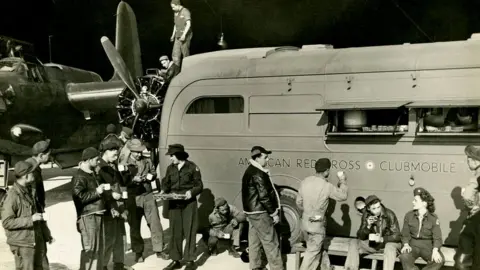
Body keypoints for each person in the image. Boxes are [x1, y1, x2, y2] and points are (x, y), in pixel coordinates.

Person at [296, 158, 348, 270]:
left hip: (304, 223)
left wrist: (308, 215)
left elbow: (298, 202)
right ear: (327, 171)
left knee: (315, 250)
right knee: (311, 254)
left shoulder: (305, 181)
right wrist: (342, 181)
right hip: (317, 224)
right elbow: (343, 196)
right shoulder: (326, 186)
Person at [123, 139, 168, 262]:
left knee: (155, 223)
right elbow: (122, 181)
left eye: (140, 151)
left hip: (148, 195)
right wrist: (133, 180)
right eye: (136, 152)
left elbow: (153, 173)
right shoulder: (125, 163)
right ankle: (138, 252)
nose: (138, 154)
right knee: (135, 226)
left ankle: (159, 249)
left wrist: (149, 177)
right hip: (134, 197)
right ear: (131, 151)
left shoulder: (147, 160)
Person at [2, 161, 51, 270]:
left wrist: (46, 233)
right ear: (26, 176)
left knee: (43, 267)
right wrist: (30, 219)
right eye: (32, 172)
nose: (35, 175)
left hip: (36, 239)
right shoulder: (12, 196)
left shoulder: (30, 190)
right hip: (23, 243)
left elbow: (38, 213)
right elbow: (7, 222)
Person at [241, 146, 284, 270]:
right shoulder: (258, 173)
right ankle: (277, 268)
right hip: (261, 213)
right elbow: (264, 196)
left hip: (252, 213)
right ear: (257, 157)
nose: (267, 159)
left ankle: (255, 267)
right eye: (265, 157)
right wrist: (273, 213)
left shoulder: (249, 170)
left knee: (254, 243)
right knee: (271, 243)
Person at [161, 144, 203, 270]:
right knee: (175, 231)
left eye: (172, 156)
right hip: (174, 203)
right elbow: (166, 182)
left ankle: (190, 260)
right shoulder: (170, 168)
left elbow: (199, 185)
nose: (170, 158)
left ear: (179, 155)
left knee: (190, 231)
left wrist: (191, 192)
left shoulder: (192, 167)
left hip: (189, 203)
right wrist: (163, 191)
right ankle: (176, 260)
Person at [97, 140, 132, 270]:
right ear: (105, 152)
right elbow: (99, 188)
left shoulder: (112, 165)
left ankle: (119, 263)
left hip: (118, 204)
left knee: (120, 235)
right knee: (109, 238)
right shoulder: (99, 167)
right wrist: (111, 201)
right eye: (113, 152)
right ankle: (103, 265)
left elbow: (120, 183)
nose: (116, 155)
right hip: (108, 207)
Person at [344, 195, 401, 270]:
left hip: (386, 246)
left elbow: (397, 236)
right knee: (354, 242)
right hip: (373, 246)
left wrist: (382, 239)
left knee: (390, 247)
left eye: (378, 207)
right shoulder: (366, 215)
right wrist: (367, 226)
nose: (377, 210)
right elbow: (360, 236)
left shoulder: (389, 214)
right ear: (368, 209)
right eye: (374, 208)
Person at [72, 147, 106, 270]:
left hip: (96, 214)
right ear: (89, 159)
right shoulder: (79, 176)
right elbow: (79, 198)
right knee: (90, 249)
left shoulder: (91, 174)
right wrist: (97, 192)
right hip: (88, 216)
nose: (98, 162)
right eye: (96, 160)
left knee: (98, 249)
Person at [399, 187, 444, 270]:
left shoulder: (433, 218)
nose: (413, 202)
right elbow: (405, 233)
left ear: (424, 203)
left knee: (439, 260)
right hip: (413, 244)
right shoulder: (409, 215)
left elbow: (437, 237)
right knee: (404, 257)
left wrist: (435, 250)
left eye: (415, 200)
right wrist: (405, 244)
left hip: (427, 245)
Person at [455, 145, 480, 269]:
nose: (467, 162)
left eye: (468, 159)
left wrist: (472, 206)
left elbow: (467, 196)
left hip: (477, 218)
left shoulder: (477, 175)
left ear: (475, 161)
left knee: (466, 240)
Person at [170, 0, 192, 67]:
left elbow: (188, 24)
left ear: (178, 5)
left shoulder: (185, 11)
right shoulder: (175, 13)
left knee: (185, 54)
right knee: (175, 55)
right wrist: (173, 35)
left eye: (173, 7)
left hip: (184, 36)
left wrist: (184, 35)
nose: (172, 9)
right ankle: (176, 72)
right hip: (177, 36)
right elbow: (175, 25)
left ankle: (187, 69)